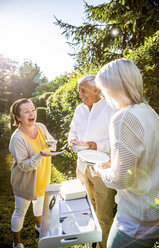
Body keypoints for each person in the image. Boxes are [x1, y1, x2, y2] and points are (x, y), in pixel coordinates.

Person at [93, 58, 159, 248]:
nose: (103, 94)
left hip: (135, 223)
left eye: (103, 88)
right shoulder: (149, 112)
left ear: (112, 86)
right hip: (155, 213)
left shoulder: (123, 118)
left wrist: (101, 170)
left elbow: (121, 180)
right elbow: (144, 161)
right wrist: (115, 164)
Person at [68, 75, 116, 248]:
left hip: (102, 170)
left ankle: (104, 245)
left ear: (96, 89)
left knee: (104, 215)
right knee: (86, 209)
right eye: (79, 91)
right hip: (82, 168)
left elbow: (117, 142)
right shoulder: (79, 110)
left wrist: (97, 146)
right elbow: (72, 131)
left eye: (83, 90)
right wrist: (71, 141)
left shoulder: (111, 108)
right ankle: (91, 242)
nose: (80, 95)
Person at [9, 98, 60, 248]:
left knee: (40, 206)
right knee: (20, 212)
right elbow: (24, 166)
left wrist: (52, 144)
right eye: (26, 112)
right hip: (25, 181)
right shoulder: (17, 138)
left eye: (33, 110)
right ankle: (16, 242)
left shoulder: (41, 127)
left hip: (43, 176)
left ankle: (39, 227)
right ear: (18, 118)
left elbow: (50, 142)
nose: (31, 113)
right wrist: (40, 155)